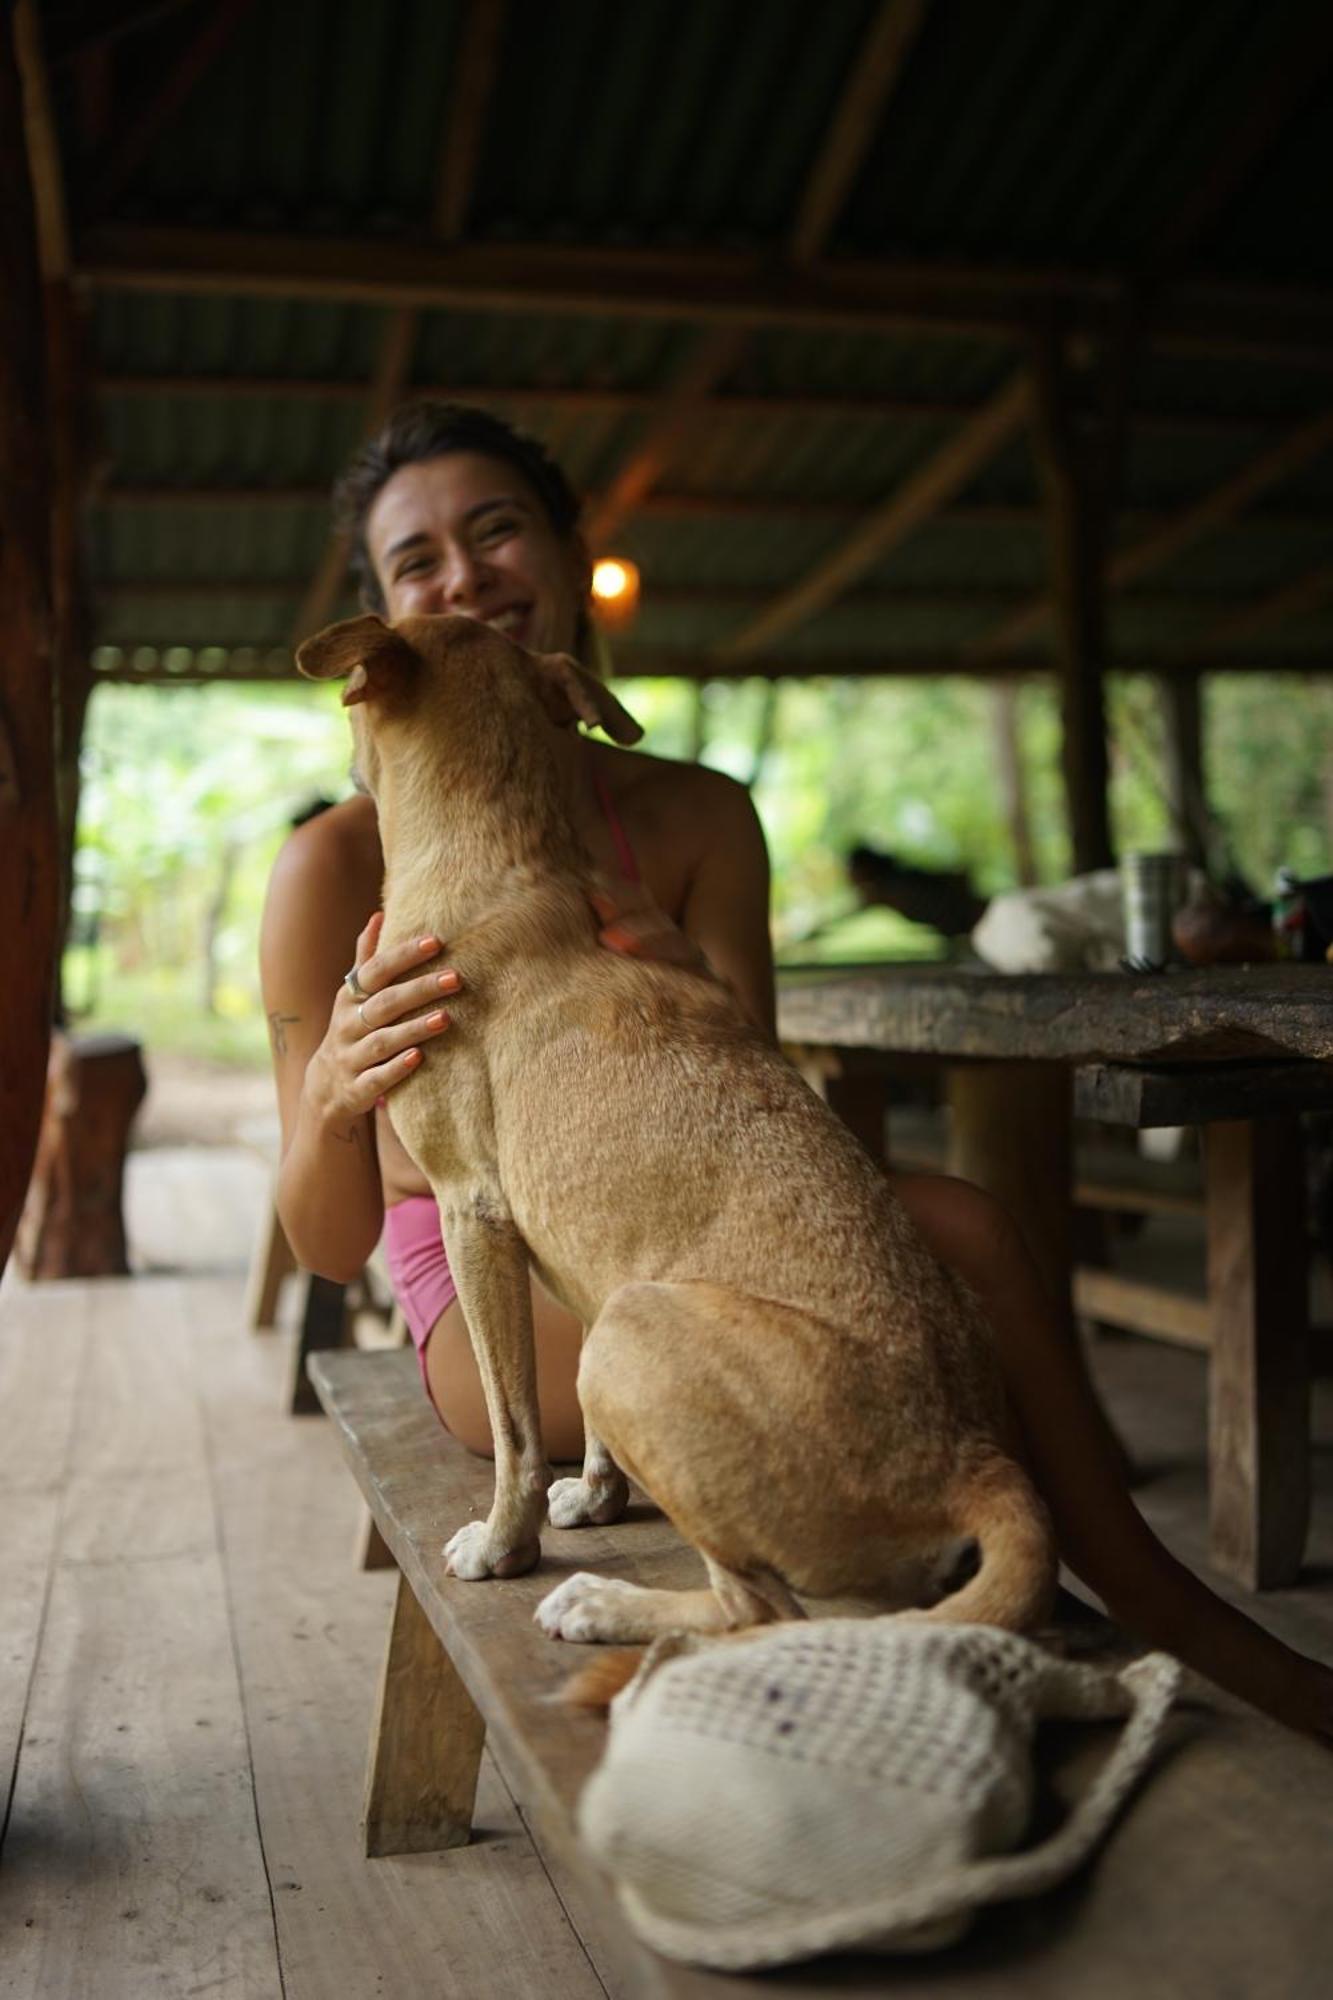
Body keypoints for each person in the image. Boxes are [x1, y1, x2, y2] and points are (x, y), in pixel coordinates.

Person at [261, 401, 1331, 1745]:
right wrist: (334, 1096)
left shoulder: (696, 813)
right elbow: (323, 1237)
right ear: (382, 635)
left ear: (569, 555)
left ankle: (1082, 1576)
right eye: (418, 564)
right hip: (495, 1293)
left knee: (963, 1228)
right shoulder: (332, 866)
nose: (465, 580)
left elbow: (757, 1126)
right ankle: (1108, 1585)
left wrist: (683, 1001)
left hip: (686, 1218)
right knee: (949, 1230)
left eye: (495, 532)